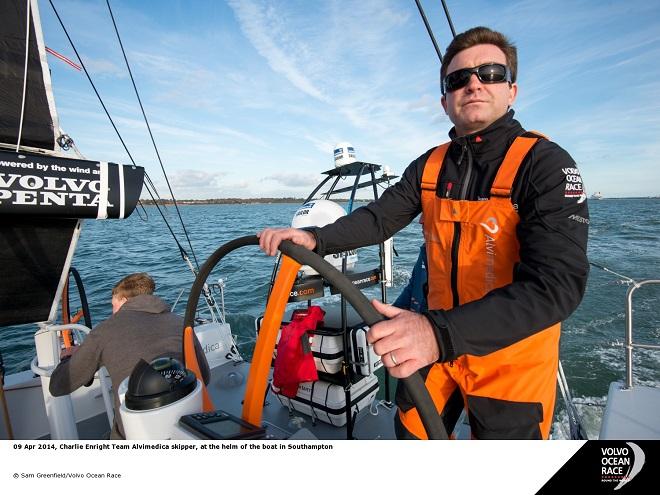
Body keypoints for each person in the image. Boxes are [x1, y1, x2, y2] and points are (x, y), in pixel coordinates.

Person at [258, 26, 589, 439]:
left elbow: (557, 286)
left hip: (510, 356)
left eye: (489, 73)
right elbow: (379, 218)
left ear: (512, 91)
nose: (473, 83)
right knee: (413, 438)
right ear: (445, 100)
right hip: (435, 345)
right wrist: (316, 239)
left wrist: (438, 333)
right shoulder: (429, 166)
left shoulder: (545, 164)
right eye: (458, 79)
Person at [49, 273, 210, 439]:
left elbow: (58, 386)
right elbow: (204, 376)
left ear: (125, 301)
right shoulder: (180, 323)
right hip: (187, 429)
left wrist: (67, 358)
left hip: (132, 435)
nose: (113, 312)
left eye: (114, 305)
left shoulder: (105, 330)